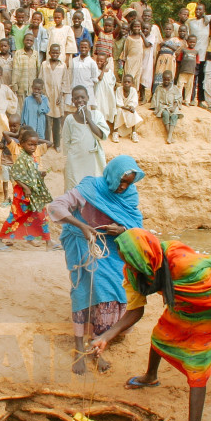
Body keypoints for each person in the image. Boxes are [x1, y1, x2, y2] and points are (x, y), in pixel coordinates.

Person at [88, 230, 211, 421]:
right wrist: (105, 337)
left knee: (196, 367)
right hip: (181, 304)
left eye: (128, 258)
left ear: (142, 256)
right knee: (161, 336)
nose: (126, 263)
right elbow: (135, 311)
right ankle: (150, 377)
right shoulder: (135, 270)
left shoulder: (184, 264)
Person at [47, 156, 145, 374]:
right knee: (84, 291)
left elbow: (137, 226)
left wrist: (121, 230)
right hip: (83, 243)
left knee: (113, 292)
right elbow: (56, 206)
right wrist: (81, 225)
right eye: (121, 181)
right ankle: (79, 347)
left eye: (128, 182)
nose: (124, 187)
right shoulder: (90, 187)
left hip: (112, 247)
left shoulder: (129, 195)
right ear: (111, 175)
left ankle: (97, 346)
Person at [0, 127, 56, 251]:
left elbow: (29, 173)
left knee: (41, 215)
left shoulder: (31, 156)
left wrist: (39, 176)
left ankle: (48, 242)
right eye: (30, 144)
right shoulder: (22, 157)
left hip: (33, 193)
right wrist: (26, 188)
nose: (33, 147)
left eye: (35, 144)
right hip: (23, 194)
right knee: (16, 217)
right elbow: (15, 174)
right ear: (22, 144)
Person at [61, 85, 108, 192]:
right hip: (75, 161)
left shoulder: (96, 115)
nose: (80, 100)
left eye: (82, 97)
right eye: (76, 98)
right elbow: (66, 142)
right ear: (72, 100)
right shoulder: (69, 119)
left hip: (93, 160)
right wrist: (72, 157)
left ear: (88, 98)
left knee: (93, 189)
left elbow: (102, 135)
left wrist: (88, 119)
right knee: (75, 189)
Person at [41, 44, 69, 149]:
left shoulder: (63, 65)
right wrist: (43, 95)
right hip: (47, 96)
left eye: (57, 53)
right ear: (49, 53)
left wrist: (61, 95)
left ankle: (57, 144)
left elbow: (65, 81)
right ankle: (47, 143)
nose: (55, 54)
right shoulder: (44, 64)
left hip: (58, 97)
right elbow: (40, 79)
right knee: (47, 122)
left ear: (60, 53)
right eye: (53, 52)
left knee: (57, 122)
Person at [152, 70, 182, 143]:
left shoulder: (175, 88)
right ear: (162, 78)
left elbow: (178, 99)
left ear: (171, 79)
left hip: (172, 106)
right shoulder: (159, 88)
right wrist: (156, 108)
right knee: (165, 114)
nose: (166, 81)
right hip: (163, 106)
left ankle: (169, 136)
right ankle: (170, 136)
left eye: (168, 79)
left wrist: (174, 107)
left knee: (174, 116)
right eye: (164, 79)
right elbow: (156, 98)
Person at [113, 73, 143, 143]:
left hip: (128, 108)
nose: (126, 83)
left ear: (132, 83)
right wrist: (127, 108)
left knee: (133, 112)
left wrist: (131, 107)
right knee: (119, 111)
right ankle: (115, 132)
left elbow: (133, 102)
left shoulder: (133, 91)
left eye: (128, 82)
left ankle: (133, 133)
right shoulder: (119, 89)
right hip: (120, 107)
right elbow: (119, 103)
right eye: (125, 82)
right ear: (122, 83)